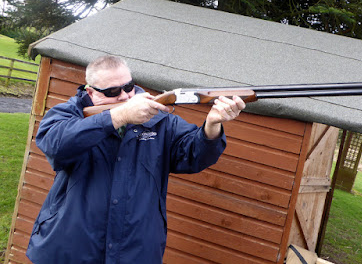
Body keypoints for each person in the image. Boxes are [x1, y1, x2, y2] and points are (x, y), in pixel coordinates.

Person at [26, 55, 245, 264]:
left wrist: (212, 125)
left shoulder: (159, 117)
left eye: (128, 87)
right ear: (90, 92)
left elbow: (192, 156)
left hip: (135, 249)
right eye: (112, 91)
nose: (124, 96)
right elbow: (55, 145)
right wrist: (120, 116)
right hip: (71, 247)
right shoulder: (68, 113)